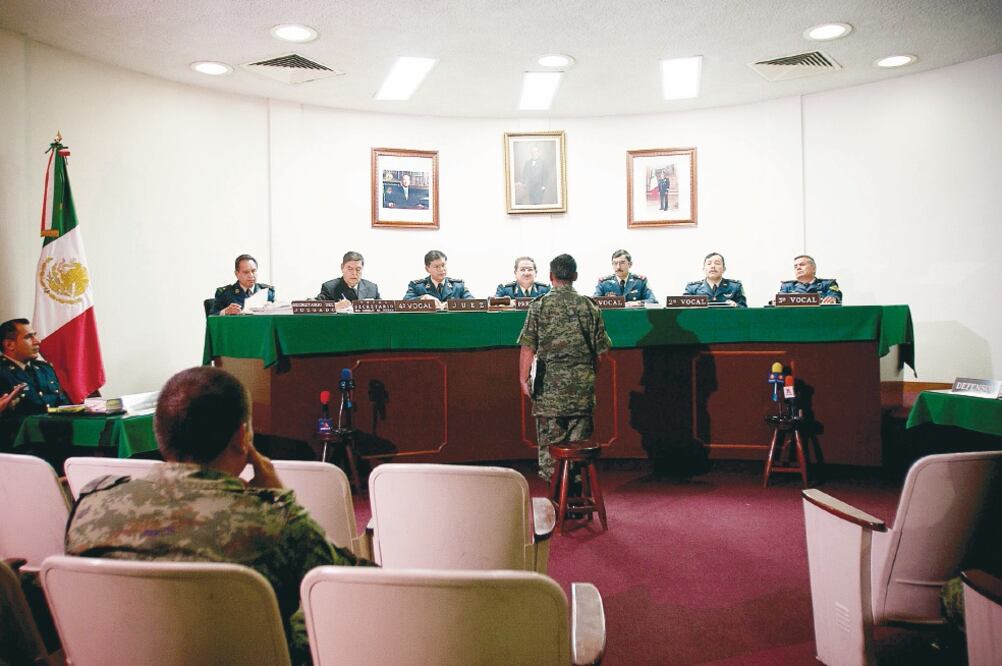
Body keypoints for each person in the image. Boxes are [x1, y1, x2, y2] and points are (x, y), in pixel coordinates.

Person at [64, 366, 372, 664]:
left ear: (159, 434)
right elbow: (358, 586)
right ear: (242, 437)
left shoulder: (92, 506)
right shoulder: (274, 523)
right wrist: (280, 500)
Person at [518, 254, 611, 481]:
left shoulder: (539, 306)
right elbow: (602, 352)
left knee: (551, 449)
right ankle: (575, 489)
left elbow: (528, 347)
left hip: (548, 390)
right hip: (581, 390)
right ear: (575, 276)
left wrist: (523, 379)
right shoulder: (589, 306)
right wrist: (587, 376)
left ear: (550, 277)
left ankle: (555, 495)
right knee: (579, 448)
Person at [0, 318, 69, 422]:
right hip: (18, 436)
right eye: (28, 337)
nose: (37, 341)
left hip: (55, 434)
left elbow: (64, 406)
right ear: (10, 345)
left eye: (34, 335)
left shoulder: (45, 369)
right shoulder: (2, 372)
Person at [210, 254, 275, 315]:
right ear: (236, 274)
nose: (251, 275)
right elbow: (212, 317)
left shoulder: (267, 292)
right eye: (246, 272)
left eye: (253, 271)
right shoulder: (225, 293)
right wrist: (225, 311)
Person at [317, 251, 381, 311]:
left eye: (358, 269)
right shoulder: (329, 288)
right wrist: (334, 306)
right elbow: (314, 307)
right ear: (342, 267)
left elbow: (382, 311)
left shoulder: (372, 288)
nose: (354, 273)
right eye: (350, 269)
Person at [403, 250, 473, 305]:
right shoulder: (417, 286)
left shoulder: (458, 286)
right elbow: (404, 303)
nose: (442, 269)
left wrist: (453, 305)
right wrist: (423, 298)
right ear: (427, 269)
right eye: (437, 267)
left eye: (443, 265)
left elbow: (473, 302)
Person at [779, 255, 843, 304]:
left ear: (813, 269)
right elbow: (779, 300)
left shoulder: (828, 284)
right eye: (795, 266)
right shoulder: (787, 286)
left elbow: (835, 295)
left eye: (802, 265)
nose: (798, 268)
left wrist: (833, 298)